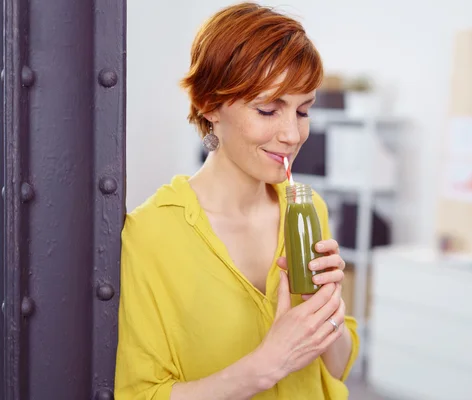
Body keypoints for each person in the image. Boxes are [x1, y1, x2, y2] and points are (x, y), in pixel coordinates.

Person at [114, 2, 360, 399]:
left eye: (303, 111)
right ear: (210, 106)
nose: (292, 135)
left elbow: (338, 365)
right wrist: (265, 366)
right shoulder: (151, 234)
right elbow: (143, 394)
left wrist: (326, 305)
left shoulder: (308, 207)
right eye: (268, 110)